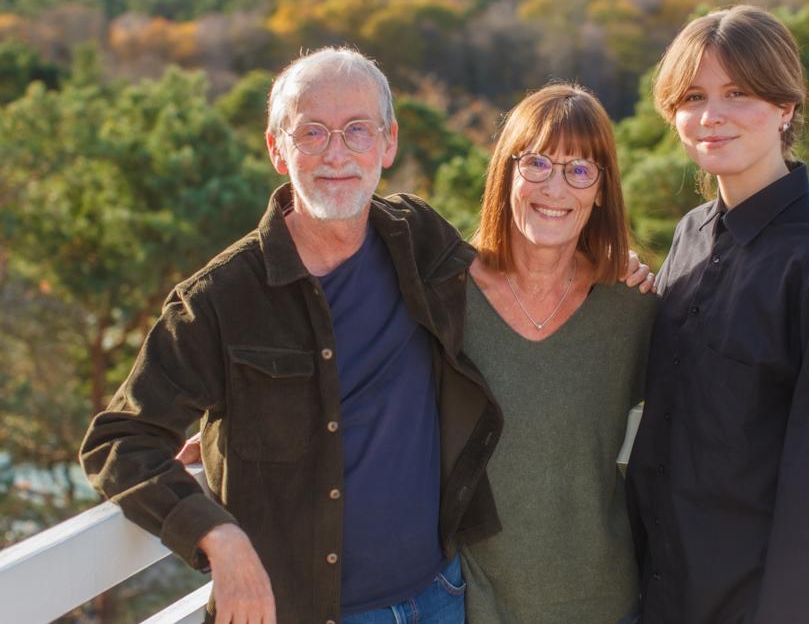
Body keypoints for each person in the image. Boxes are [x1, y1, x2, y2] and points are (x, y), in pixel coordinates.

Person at [79, 46, 505, 624]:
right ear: (277, 149)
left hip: (439, 594)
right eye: (312, 133)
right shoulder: (220, 298)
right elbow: (118, 441)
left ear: (389, 143)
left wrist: (613, 266)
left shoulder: (419, 237)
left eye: (358, 130)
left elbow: (515, 279)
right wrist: (216, 534)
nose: (337, 153)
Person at [626, 5, 809, 623]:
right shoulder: (692, 234)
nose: (711, 115)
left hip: (757, 604)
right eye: (693, 96)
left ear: (785, 108)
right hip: (660, 588)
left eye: (739, 93)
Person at [456, 83, 657, 624]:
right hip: (474, 604)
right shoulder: (446, 298)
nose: (556, 187)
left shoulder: (631, 307)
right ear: (507, 172)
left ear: (600, 191)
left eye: (580, 170)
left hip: (607, 602)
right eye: (538, 163)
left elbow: (726, 389)